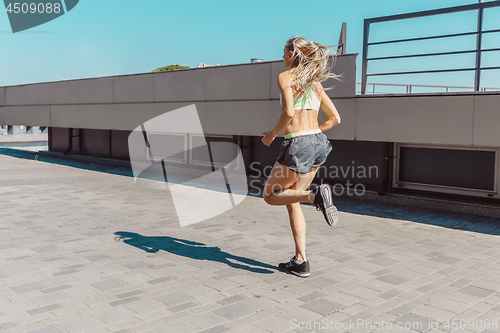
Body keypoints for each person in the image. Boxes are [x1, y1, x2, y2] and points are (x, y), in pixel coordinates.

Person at [261, 36, 342, 278]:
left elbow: (288, 111)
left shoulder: (285, 77)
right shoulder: (315, 84)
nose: (282, 57)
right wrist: (313, 133)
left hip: (299, 143)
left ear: (293, 54)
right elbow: (335, 119)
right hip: (318, 142)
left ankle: (315, 195)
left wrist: (272, 135)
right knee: (290, 199)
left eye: (284, 52)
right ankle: (301, 262)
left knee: (270, 195)